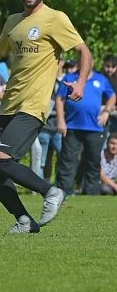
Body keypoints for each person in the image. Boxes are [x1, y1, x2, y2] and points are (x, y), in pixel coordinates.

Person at [0, 0, 93, 233]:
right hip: (7, 105)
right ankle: (24, 221)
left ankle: (51, 191)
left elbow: (84, 51)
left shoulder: (55, 18)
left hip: (33, 105)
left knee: (1, 158)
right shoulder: (13, 21)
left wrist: (80, 83)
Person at [54, 61, 115, 195]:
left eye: (89, 61)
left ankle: (91, 193)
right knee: (68, 161)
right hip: (72, 126)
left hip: (95, 128)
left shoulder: (101, 79)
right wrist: (61, 121)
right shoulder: (69, 78)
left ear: (92, 63)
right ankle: (64, 192)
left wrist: (106, 111)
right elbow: (59, 99)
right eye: (83, 60)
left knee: (93, 161)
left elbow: (112, 96)